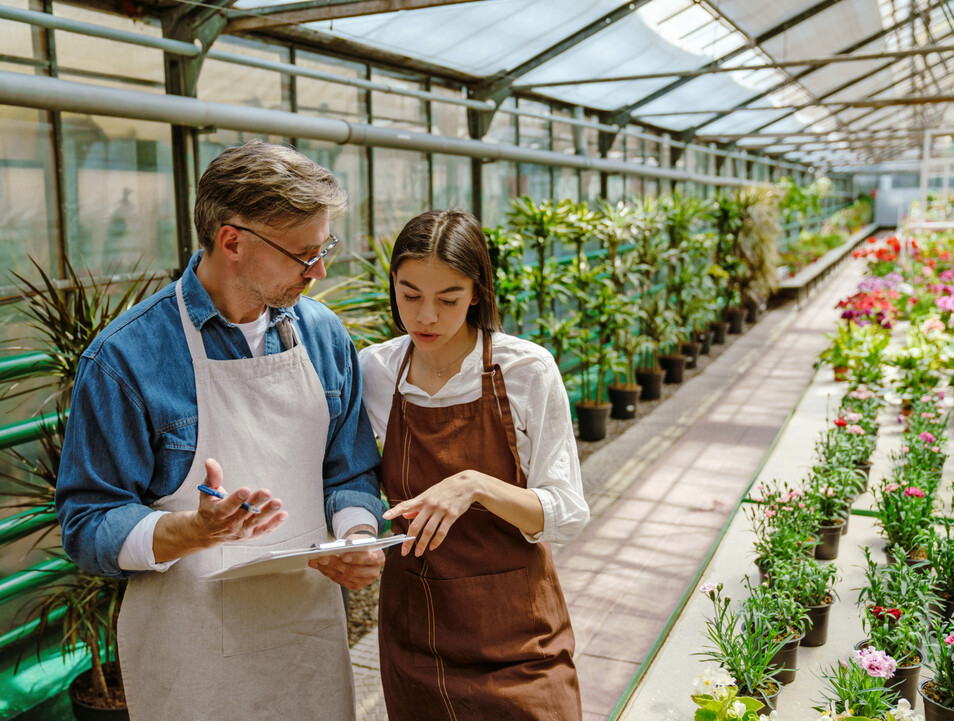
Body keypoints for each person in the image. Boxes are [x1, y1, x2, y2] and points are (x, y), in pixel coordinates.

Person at [55, 140, 387, 721]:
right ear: (233, 241)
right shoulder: (125, 358)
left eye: (324, 247)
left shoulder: (325, 336)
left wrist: (358, 535)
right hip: (191, 652)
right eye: (305, 254)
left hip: (306, 637)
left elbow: (350, 469)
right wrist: (188, 531)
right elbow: (87, 521)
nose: (321, 270)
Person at [358, 209, 590, 720]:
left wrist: (475, 485)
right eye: (409, 293)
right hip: (416, 634)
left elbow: (568, 513)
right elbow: (346, 477)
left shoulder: (526, 369)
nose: (426, 317)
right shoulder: (374, 371)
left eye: (449, 299)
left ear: (478, 292)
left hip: (519, 639)